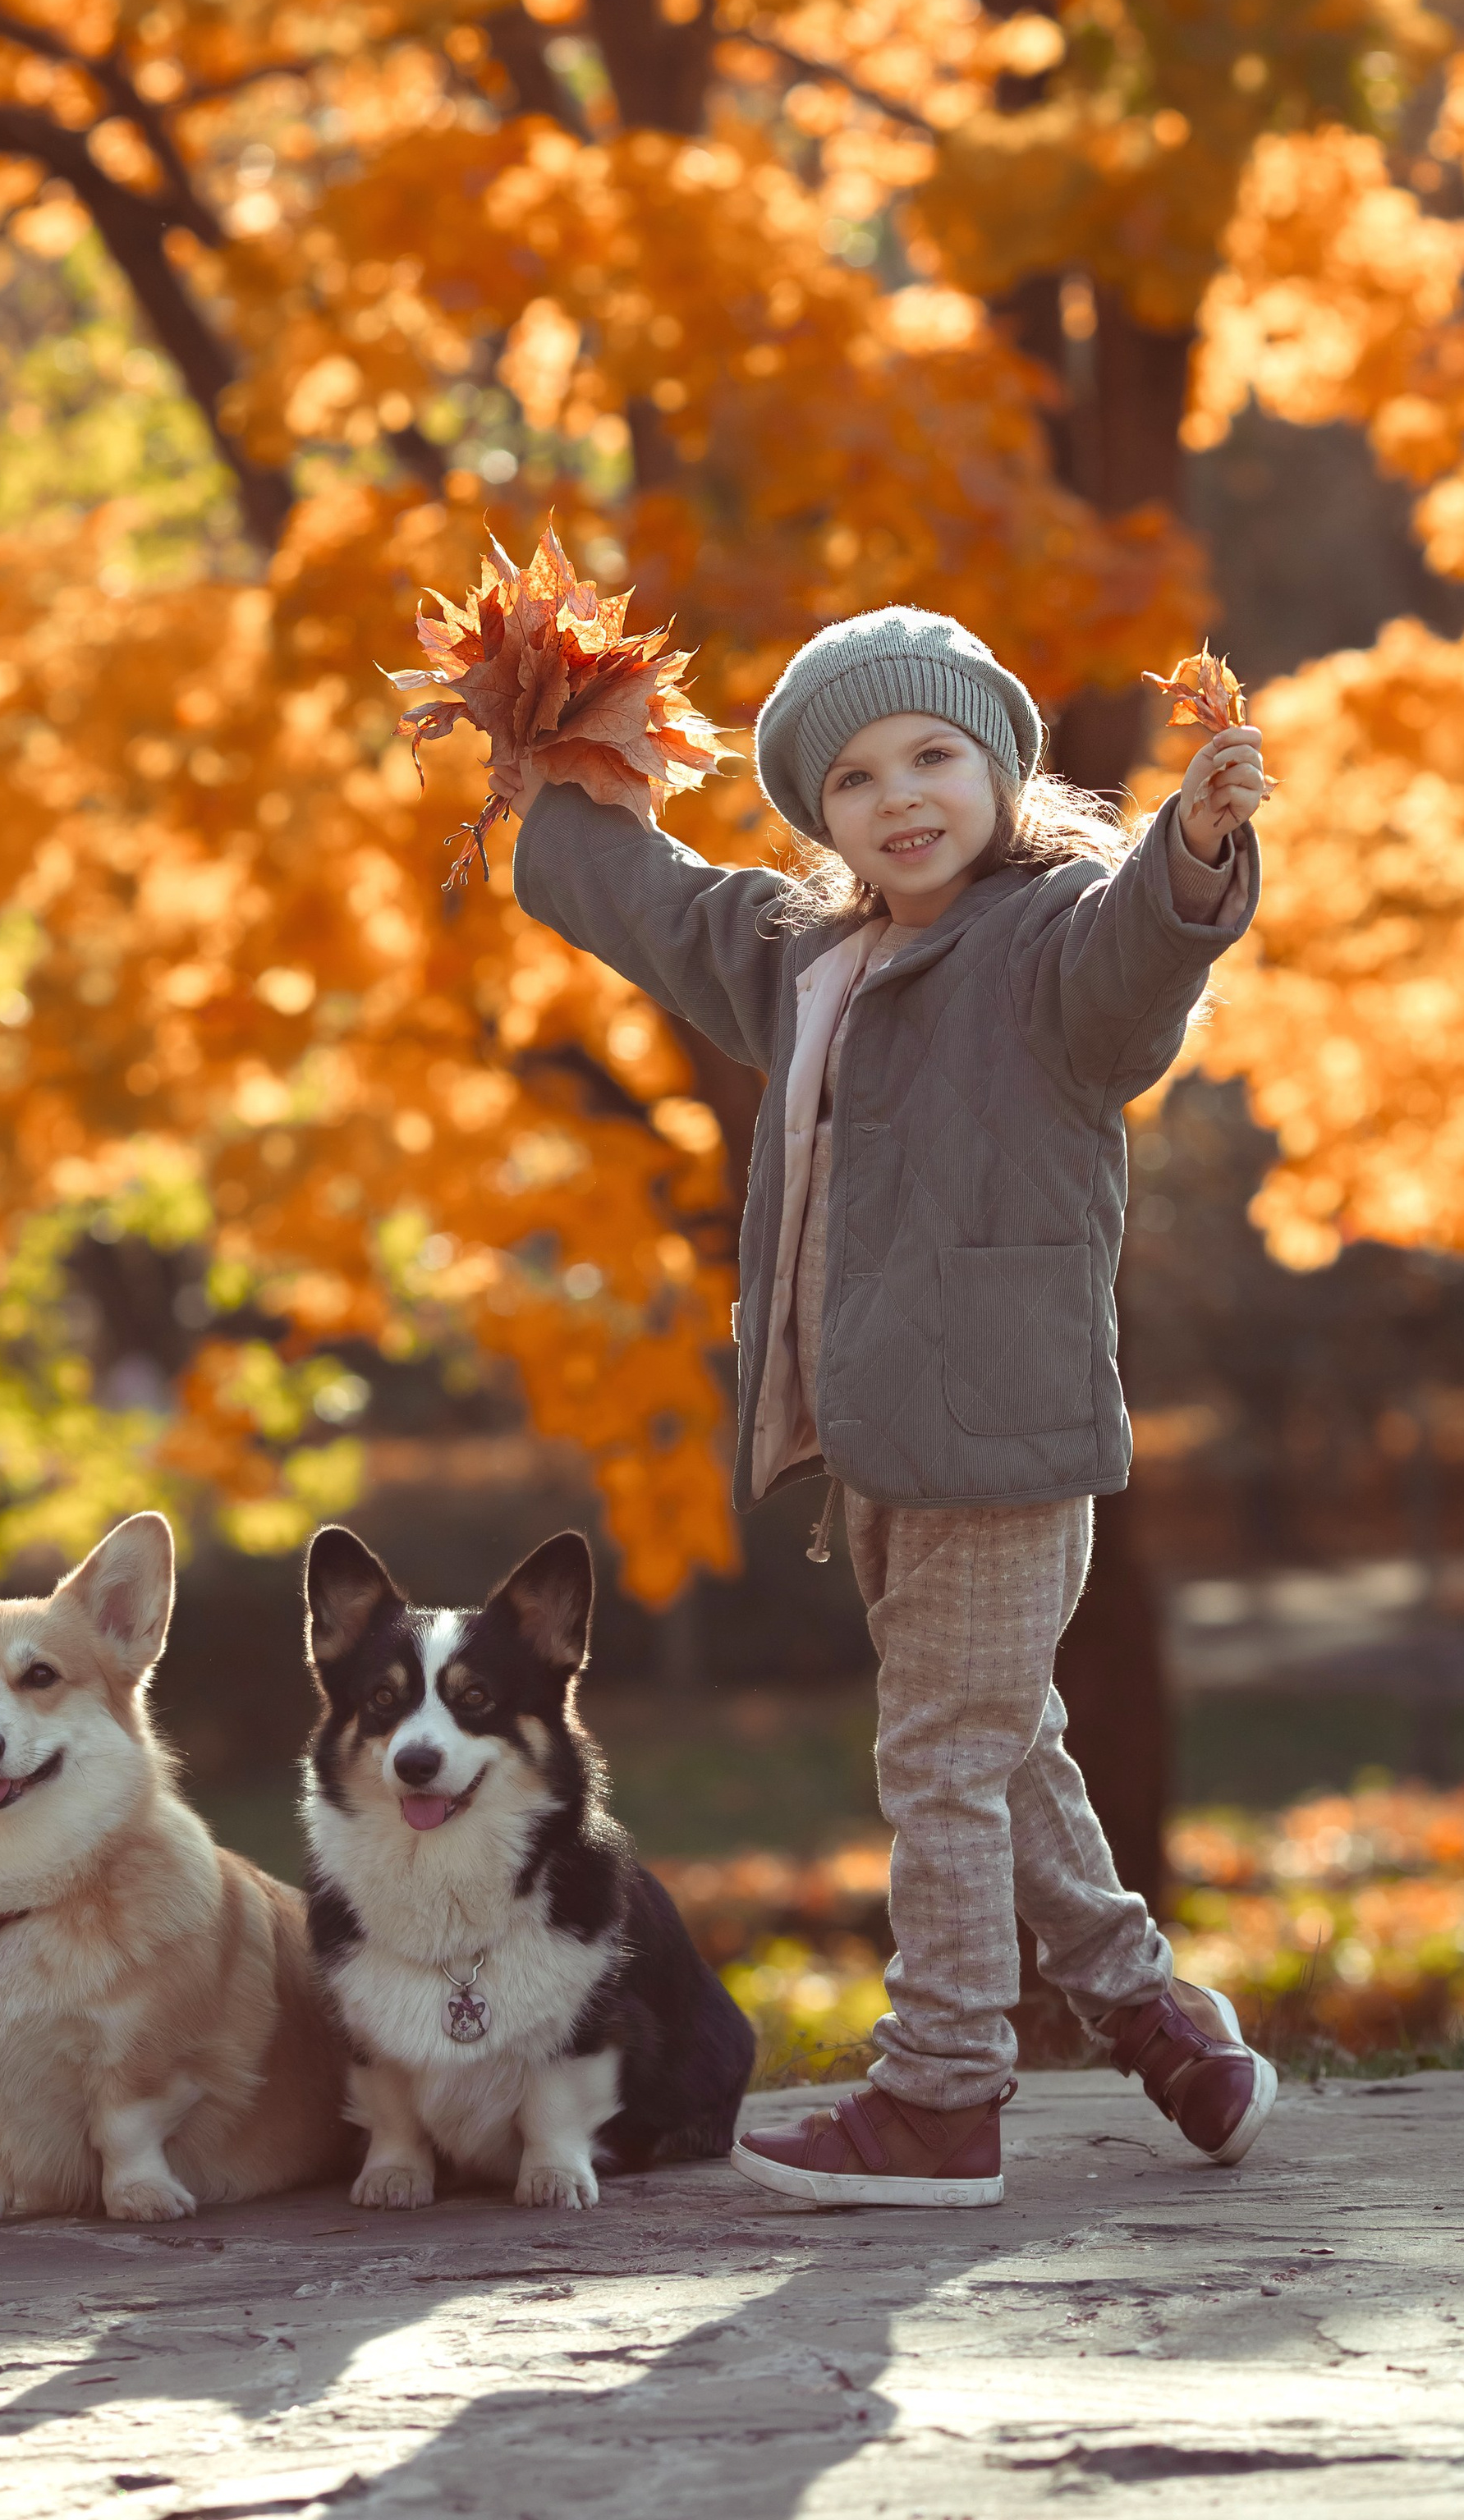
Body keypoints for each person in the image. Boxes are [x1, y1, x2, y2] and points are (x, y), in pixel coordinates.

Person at [508, 605, 1274, 2209]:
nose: (898, 794)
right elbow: (659, 904)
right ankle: (1162, 2030)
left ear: (999, 772)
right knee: (1008, 1756)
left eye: (932, 755)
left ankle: (938, 2091)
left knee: (937, 1757)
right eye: (851, 776)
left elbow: (1137, 962)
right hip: (873, 1437)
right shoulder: (806, 960)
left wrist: (1189, 846)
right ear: (818, 817)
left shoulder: (1050, 934)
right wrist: (555, 769)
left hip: (998, 1426)